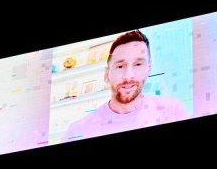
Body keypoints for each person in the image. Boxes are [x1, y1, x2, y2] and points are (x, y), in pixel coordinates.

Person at [62, 30, 190, 143]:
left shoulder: (173, 111)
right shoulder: (78, 131)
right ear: (107, 74)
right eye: (120, 66)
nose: (128, 76)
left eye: (138, 64)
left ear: (148, 69)